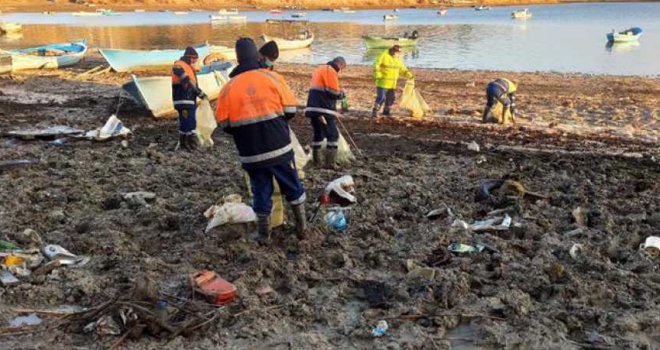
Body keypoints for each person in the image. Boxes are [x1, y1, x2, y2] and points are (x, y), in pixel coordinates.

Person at [216, 38, 307, 243]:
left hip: (251, 154)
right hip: (280, 149)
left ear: (238, 59)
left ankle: (264, 234)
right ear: (257, 56)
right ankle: (302, 228)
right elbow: (290, 110)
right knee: (293, 187)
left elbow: (225, 125)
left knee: (260, 191)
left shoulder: (228, 88)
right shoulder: (272, 78)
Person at [304, 57, 347, 168]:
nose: (341, 71)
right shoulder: (331, 71)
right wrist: (341, 94)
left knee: (319, 134)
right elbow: (332, 92)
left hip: (313, 108)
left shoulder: (321, 69)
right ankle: (330, 163)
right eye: (342, 68)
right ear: (340, 64)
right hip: (323, 109)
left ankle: (317, 161)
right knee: (333, 135)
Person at [172, 46, 207, 151]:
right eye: (195, 59)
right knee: (189, 121)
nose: (195, 61)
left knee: (186, 122)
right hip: (184, 100)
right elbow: (187, 81)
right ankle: (190, 144)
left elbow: (190, 83)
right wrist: (199, 92)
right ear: (190, 58)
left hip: (186, 100)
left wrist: (199, 92)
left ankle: (184, 143)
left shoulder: (186, 66)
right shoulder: (179, 65)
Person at [372, 45, 413, 117]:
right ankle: (375, 110)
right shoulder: (384, 55)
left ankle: (386, 111)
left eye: (399, 53)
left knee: (391, 98)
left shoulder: (398, 59)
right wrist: (378, 74)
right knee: (381, 97)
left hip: (392, 83)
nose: (398, 54)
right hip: (382, 82)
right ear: (393, 51)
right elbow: (376, 64)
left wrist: (409, 75)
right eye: (397, 52)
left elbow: (402, 69)